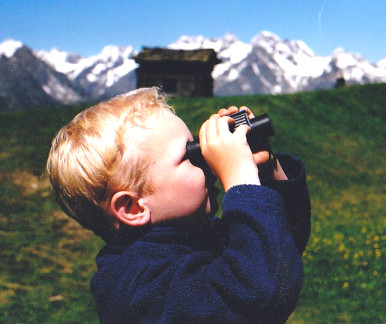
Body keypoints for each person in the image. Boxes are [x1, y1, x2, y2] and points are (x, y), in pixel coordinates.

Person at [46, 87, 311, 323]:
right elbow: (259, 292)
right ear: (132, 208)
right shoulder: (137, 286)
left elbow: (281, 246)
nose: (206, 160)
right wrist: (241, 179)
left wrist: (263, 169)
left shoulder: (192, 235)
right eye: (189, 155)